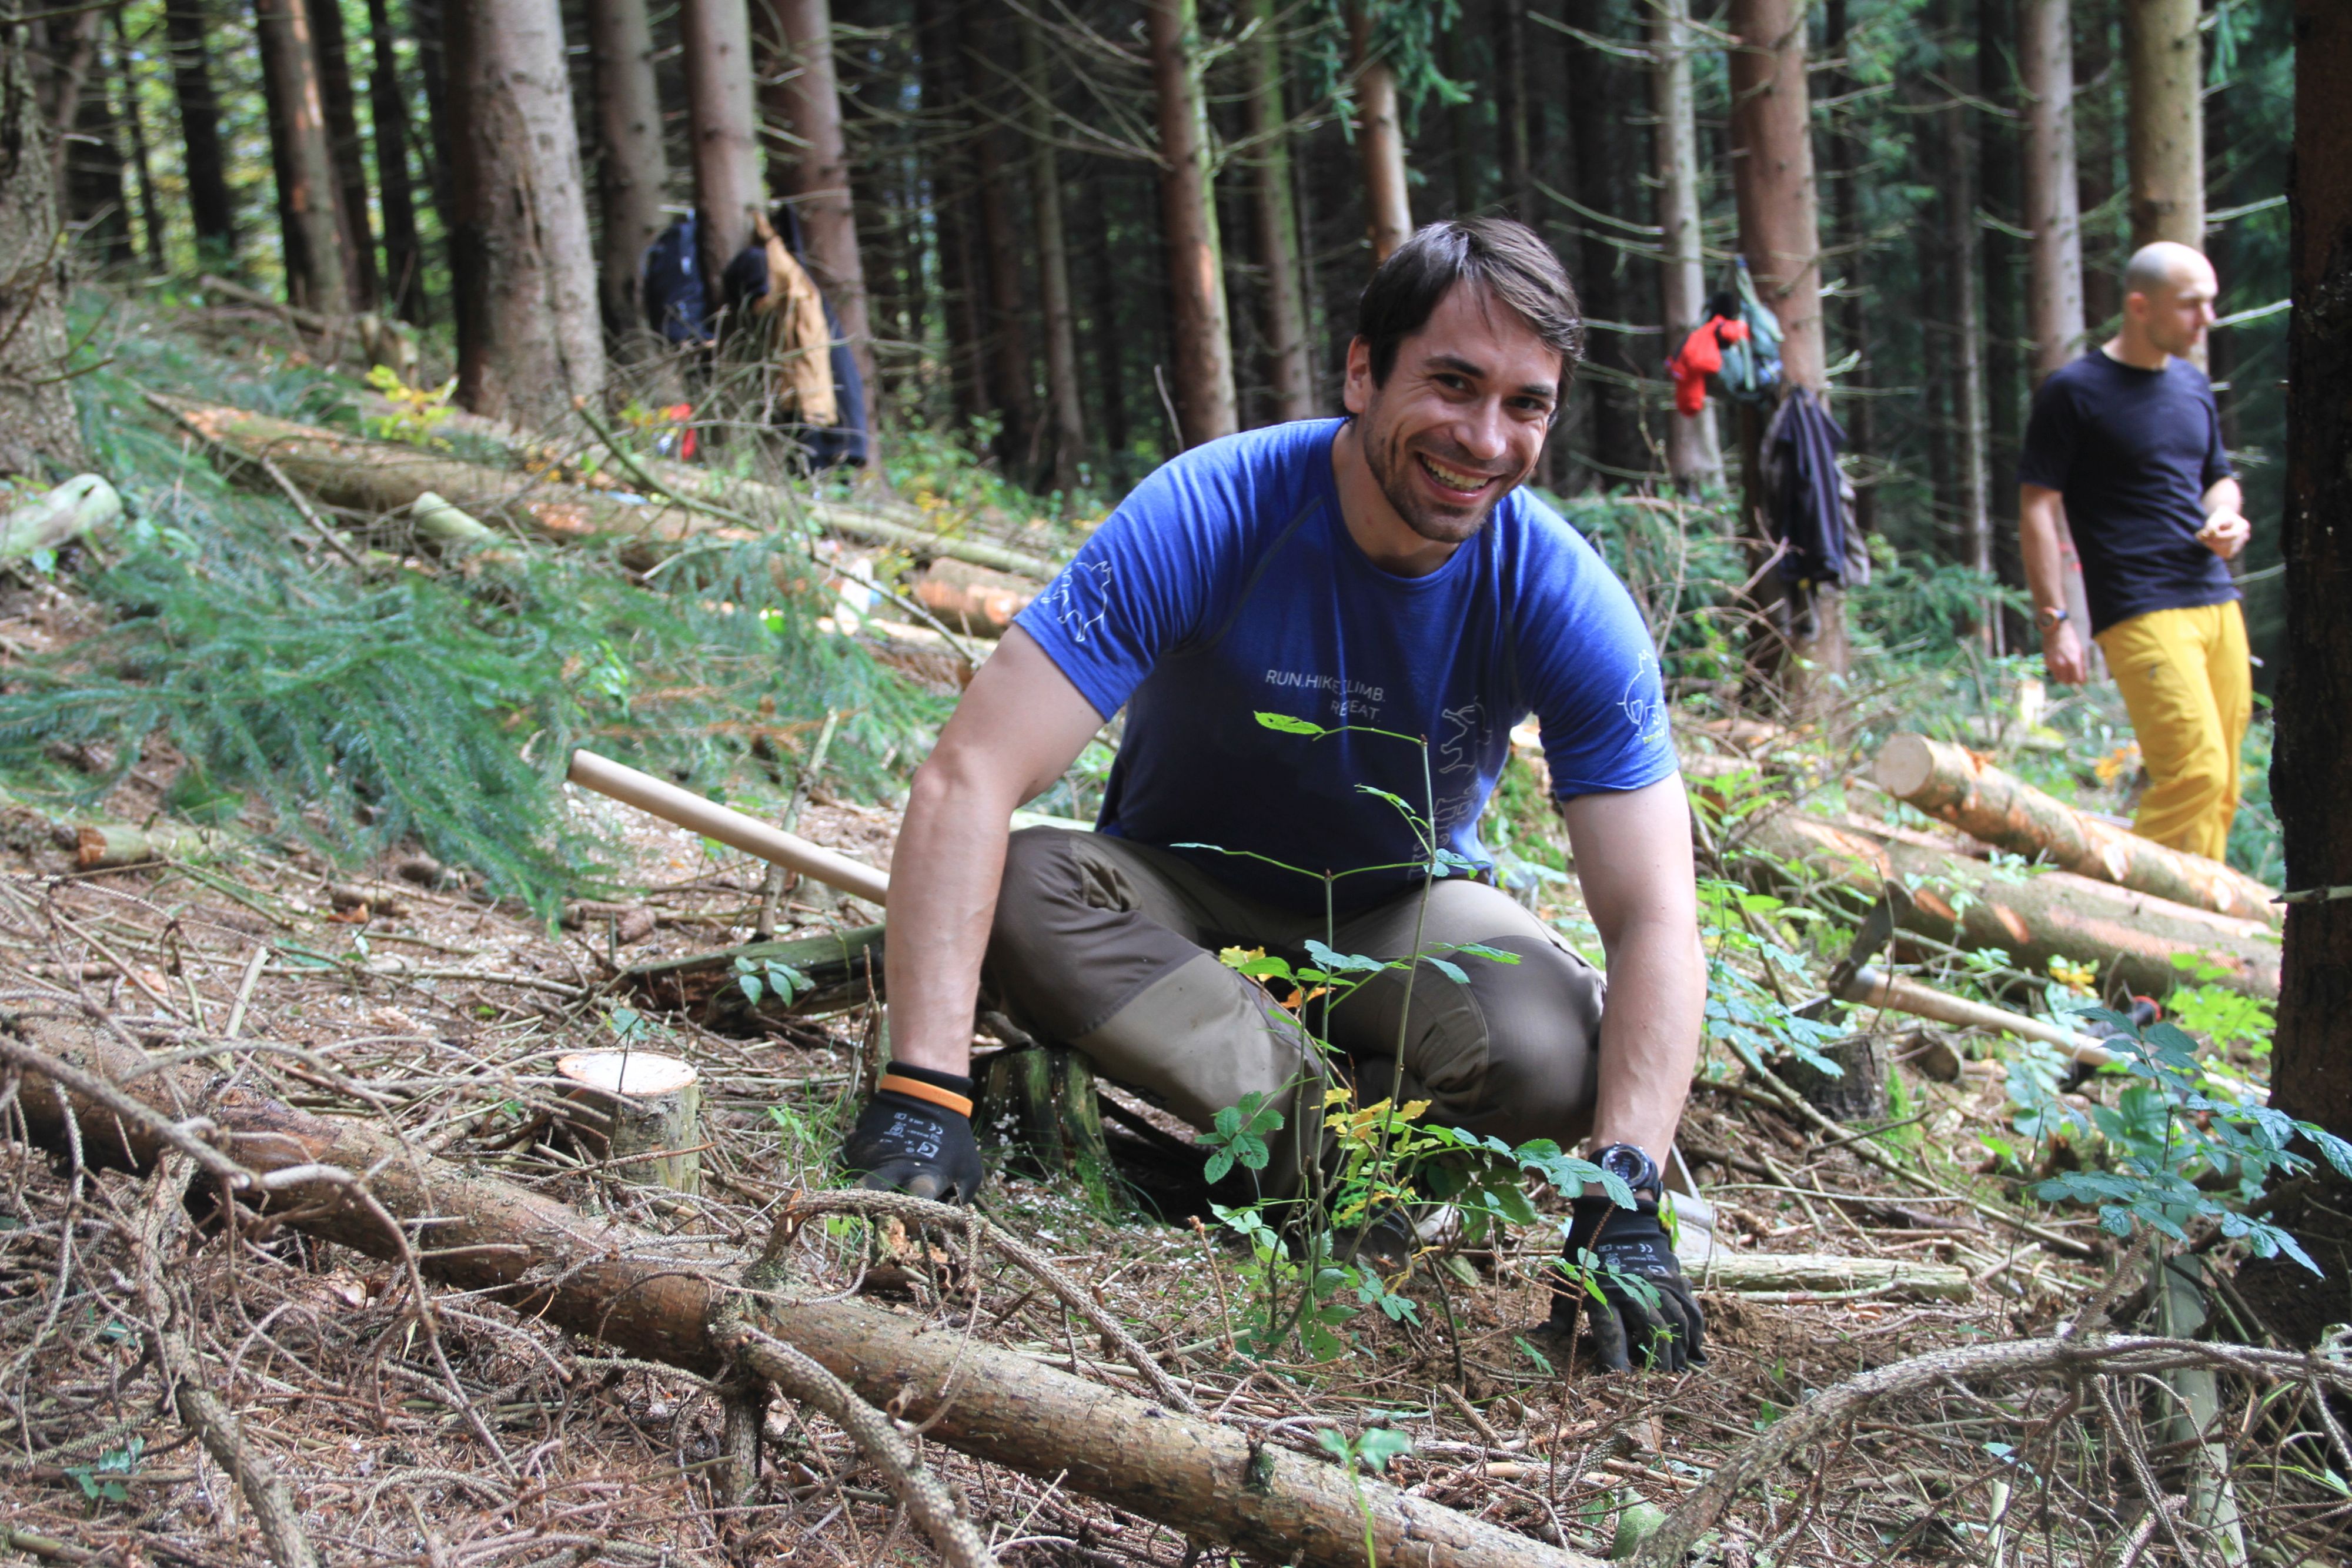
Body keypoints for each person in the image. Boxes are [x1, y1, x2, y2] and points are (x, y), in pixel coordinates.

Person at [840, 219, 1708, 1373]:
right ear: (1362, 370)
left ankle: (1266, 1151)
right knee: (1027, 887)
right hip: (1170, 894)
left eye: (1524, 404)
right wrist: (922, 1086)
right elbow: (969, 774)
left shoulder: (1557, 594)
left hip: (1397, 906)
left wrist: (1625, 1194)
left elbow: (1652, 915)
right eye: (1450, 383)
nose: (1481, 438)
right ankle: (1348, 1172)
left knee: (1555, 1050)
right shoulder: (1215, 510)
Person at [2019, 242, 2250, 861]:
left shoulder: (2192, 386)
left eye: (2210, 303)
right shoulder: (2073, 391)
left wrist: (2225, 516)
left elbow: (2217, 477)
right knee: (2195, 770)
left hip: (2213, 593)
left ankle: (2195, 933)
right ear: (2140, 306)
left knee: (2224, 775)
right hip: (2138, 603)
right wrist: (2054, 622)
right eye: (2191, 305)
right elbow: (2037, 508)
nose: (2207, 319)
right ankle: (2122, 906)